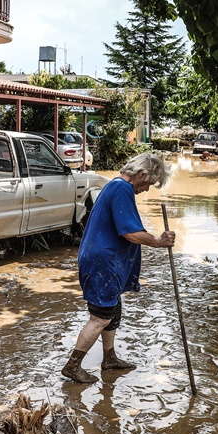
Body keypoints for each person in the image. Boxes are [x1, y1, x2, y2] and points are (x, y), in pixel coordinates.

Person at [61, 152, 176, 384]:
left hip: (101, 258)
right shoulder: (122, 189)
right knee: (101, 316)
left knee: (112, 309)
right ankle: (72, 366)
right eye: (149, 183)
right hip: (102, 261)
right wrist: (158, 241)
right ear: (141, 174)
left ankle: (109, 357)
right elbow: (129, 232)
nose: (147, 189)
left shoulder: (114, 185)